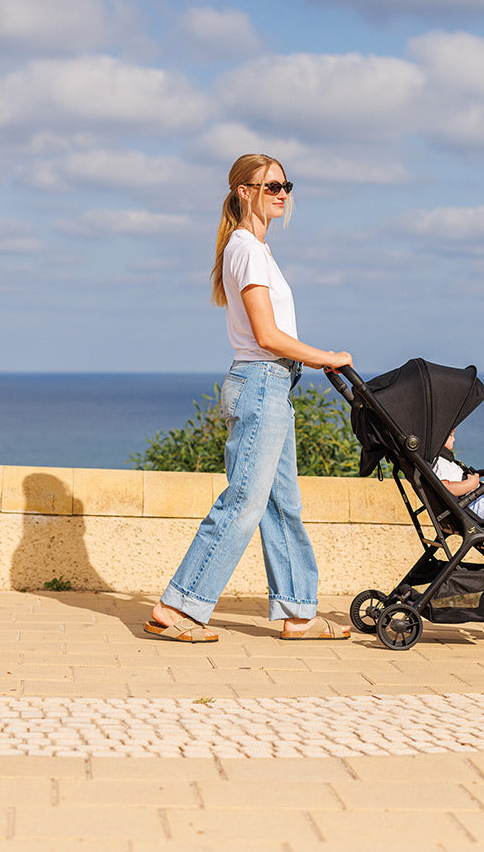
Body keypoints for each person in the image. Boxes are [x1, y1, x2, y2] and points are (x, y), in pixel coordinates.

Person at [145, 154, 353, 642]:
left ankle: (298, 613)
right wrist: (326, 357)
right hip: (263, 381)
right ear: (244, 191)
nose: (282, 193)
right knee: (243, 501)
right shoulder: (246, 248)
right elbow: (266, 333)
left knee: (283, 505)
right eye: (271, 185)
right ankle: (177, 608)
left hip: (273, 385)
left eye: (286, 185)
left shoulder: (255, 249)